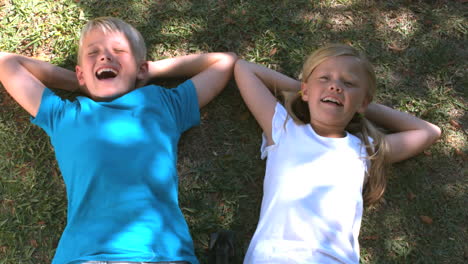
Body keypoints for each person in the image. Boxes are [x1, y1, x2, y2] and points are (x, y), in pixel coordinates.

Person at [0, 17, 237, 264]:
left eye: (119, 51)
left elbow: (225, 62)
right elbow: (7, 63)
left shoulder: (163, 105)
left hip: (162, 255)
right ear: (80, 73)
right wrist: (81, 83)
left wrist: (149, 70)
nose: (105, 57)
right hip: (84, 257)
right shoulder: (65, 115)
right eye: (93, 53)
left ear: (140, 68)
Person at [234, 44, 441, 264]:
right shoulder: (284, 131)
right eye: (324, 78)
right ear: (305, 90)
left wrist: (358, 105)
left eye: (348, 83)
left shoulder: (364, 151)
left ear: (364, 102)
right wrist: (307, 90)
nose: (335, 87)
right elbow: (244, 69)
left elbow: (429, 132)